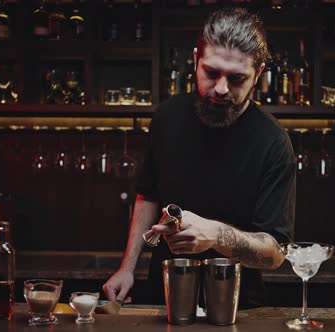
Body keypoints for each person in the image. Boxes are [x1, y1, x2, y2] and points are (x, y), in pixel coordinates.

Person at [103, 7, 296, 309]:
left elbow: (275, 253)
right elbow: (148, 196)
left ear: (258, 74)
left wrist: (216, 235)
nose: (221, 88)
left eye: (236, 78)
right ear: (195, 60)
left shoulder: (273, 143)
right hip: (164, 298)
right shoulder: (166, 118)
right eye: (211, 72)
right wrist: (127, 267)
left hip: (236, 308)